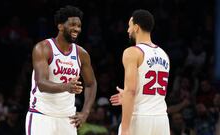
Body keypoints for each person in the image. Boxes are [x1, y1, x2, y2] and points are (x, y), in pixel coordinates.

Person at [25, 5, 97, 135]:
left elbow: (91, 84)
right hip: (42, 115)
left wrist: (85, 112)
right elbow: (41, 83)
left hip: (67, 118)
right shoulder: (43, 48)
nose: (77, 29)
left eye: (79, 26)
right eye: (73, 25)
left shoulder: (82, 54)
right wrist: (66, 87)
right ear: (60, 26)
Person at [110, 9, 170, 135]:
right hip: (162, 119)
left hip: (140, 117)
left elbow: (130, 91)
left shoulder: (132, 52)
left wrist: (125, 129)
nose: (128, 30)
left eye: (129, 26)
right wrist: (129, 96)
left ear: (136, 27)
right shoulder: (164, 54)